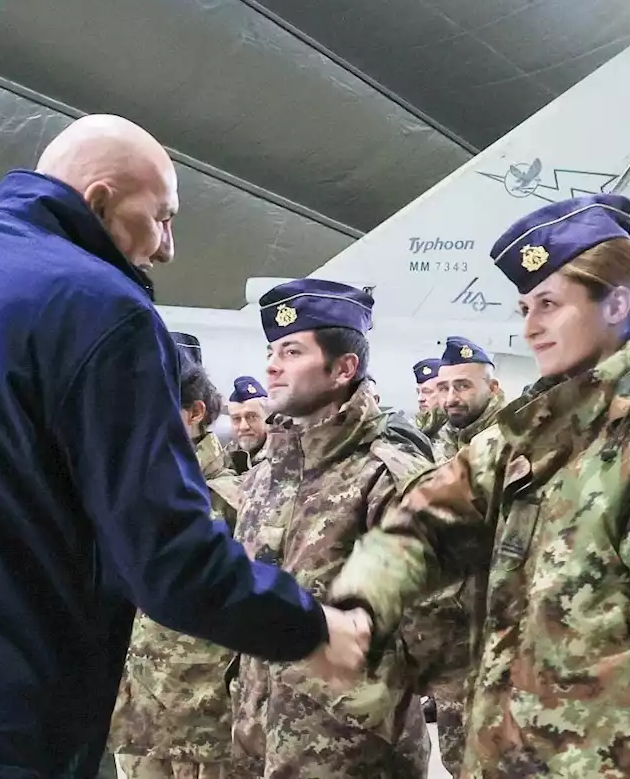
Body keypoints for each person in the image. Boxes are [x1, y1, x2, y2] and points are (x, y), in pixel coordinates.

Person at [0, 115, 368, 779]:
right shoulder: (102, 310)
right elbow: (165, 556)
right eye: (162, 218)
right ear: (99, 201)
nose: (166, 248)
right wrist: (310, 627)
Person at [330, 193, 630, 777]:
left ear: (619, 305)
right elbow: (424, 522)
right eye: (525, 306)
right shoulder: (526, 440)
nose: (529, 327)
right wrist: (361, 605)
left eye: (549, 304)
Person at [231, 279, 432, 779]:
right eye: (272, 350)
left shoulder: (387, 474)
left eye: (292, 350)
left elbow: (432, 624)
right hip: (259, 741)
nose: (272, 365)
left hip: (350, 754)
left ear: (344, 368)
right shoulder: (266, 474)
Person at [111, 356, 252, 779]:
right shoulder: (125, 494)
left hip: (207, 726)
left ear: (195, 414)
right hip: (136, 718)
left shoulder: (233, 501)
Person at [407, 335, 507, 775]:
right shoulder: (440, 445)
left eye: (463, 386)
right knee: (456, 756)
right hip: (453, 634)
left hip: (502, 630)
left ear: (493, 388)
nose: (450, 397)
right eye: (445, 387)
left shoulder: (514, 444)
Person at [226, 377, 270, 474]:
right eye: (236, 419)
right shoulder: (225, 456)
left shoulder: (280, 454)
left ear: (268, 417)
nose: (243, 427)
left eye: (251, 417)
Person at [411, 359, 446, 438]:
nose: (420, 399)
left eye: (427, 392)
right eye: (418, 392)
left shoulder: (454, 431)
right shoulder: (413, 428)